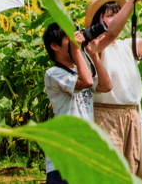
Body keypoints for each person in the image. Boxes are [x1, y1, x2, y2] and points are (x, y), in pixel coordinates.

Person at [85, 0, 142, 181]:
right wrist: (133, 0)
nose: (117, 19)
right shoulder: (94, 47)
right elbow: (111, 32)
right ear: (99, 21)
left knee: (131, 173)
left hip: (132, 115)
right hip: (106, 117)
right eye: (110, 15)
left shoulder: (126, 45)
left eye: (118, 13)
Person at [42, 22, 111, 184]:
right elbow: (86, 82)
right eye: (70, 38)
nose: (77, 41)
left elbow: (105, 85)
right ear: (54, 46)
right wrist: (76, 50)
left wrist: (94, 55)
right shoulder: (53, 73)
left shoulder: (79, 70)